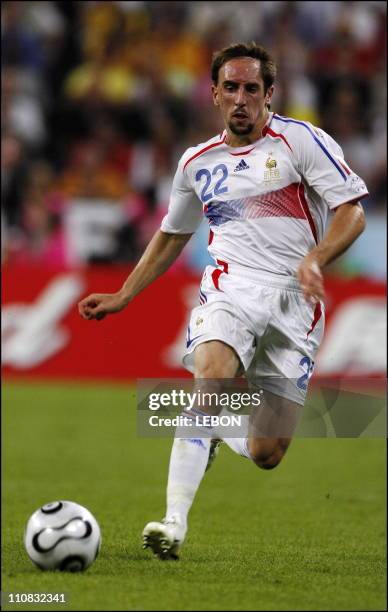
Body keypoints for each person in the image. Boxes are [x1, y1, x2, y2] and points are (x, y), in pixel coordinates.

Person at [78, 42, 368, 560]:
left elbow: (352, 211)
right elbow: (172, 235)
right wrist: (125, 294)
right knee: (209, 380)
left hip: (294, 303)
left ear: (269, 94)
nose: (240, 98)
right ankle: (173, 522)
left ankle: (212, 429)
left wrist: (317, 258)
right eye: (230, 87)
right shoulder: (196, 163)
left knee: (266, 452)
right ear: (213, 94)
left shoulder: (301, 140)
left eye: (251, 89)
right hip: (228, 289)